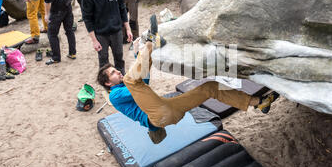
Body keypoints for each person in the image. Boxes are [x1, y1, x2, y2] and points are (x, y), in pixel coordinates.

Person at [97, 19, 280, 144]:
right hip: (157, 117)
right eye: (113, 73)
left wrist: (141, 56)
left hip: (170, 110)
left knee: (210, 87)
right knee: (131, 79)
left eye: (115, 70)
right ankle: (152, 41)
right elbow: (135, 85)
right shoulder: (115, 96)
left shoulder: (127, 84)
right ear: (107, 83)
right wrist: (142, 51)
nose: (117, 73)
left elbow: (143, 80)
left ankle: (259, 103)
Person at [81, 0, 133, 73]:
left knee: (119, 59)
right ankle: (108, 87)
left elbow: (122, 9)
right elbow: (87, 19)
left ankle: (121, 84)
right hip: (100, 34)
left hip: (116, 31)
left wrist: (128, 29)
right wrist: (94, 40)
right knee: (104, 63)